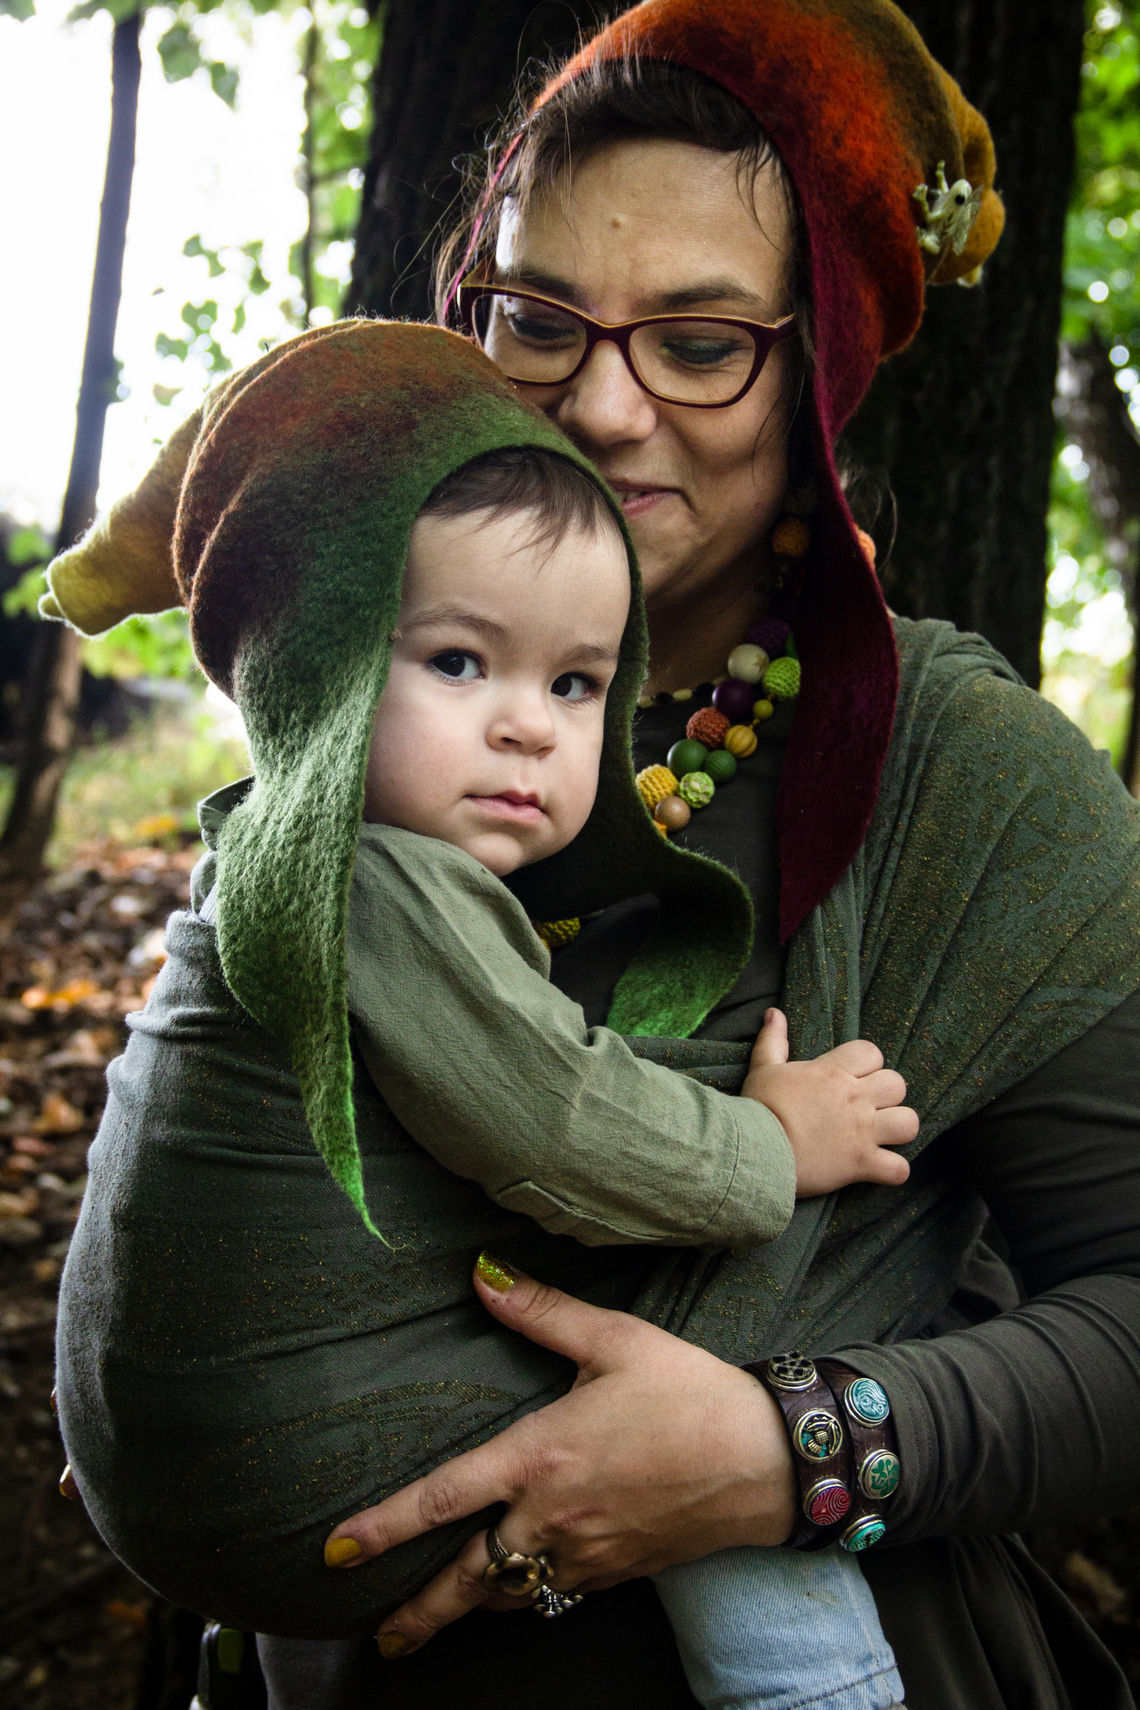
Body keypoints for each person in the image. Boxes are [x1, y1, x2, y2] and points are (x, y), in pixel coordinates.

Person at [311, 5, 1140, 1710]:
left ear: (819, 370)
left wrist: (790, 1451)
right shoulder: (361, 712)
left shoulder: (966, 782)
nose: (601, 404)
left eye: (699, 343)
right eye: (539, 319)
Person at [48, 318, 913, 1710]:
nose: (530, 726)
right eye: (459, 662)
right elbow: (562, 1124)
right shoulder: (381, 882)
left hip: (164, 1453)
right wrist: (770, 1143)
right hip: (300, 1458)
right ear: (319, 666)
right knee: (693, 1402)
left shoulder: (257, 855)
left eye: (576, 682)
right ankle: (820, 1686)